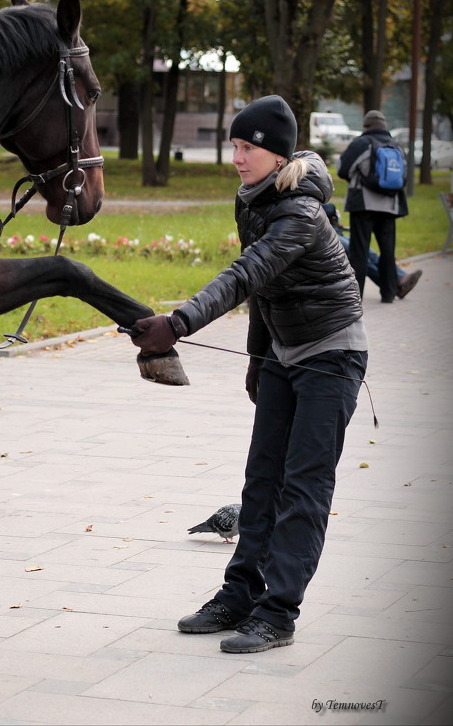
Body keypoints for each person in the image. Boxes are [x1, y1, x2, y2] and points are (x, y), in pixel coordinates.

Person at [127, 95, 368, 654]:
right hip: (285, 353)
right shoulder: (254, 197)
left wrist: (178, 323)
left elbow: (247, 273)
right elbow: (263, 288)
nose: (236, 156)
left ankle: (278, 614)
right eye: (233, 144)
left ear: (277, 153)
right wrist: (260, 358)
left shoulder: (300, 212)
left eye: (247, 146)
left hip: (332, 355)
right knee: (261, 480)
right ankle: (240, 595)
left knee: (304, 486)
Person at [337, 110, 408, 303]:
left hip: (364, 205)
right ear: (384, 126)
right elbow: (404, 177)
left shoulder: (361, 143)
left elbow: (343, 169)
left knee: (359, 251)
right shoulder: (397, 146)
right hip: (389, 206)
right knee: (388, 251)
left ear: (367, 126)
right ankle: (388, 294)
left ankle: (355, 296)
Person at [322, 203, 422, 299]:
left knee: (369, 253)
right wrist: (330, 210)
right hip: (324, 234)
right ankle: (395, 285)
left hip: (332, 230)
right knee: (361, 257)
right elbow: (324, 208)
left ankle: (399, 278)